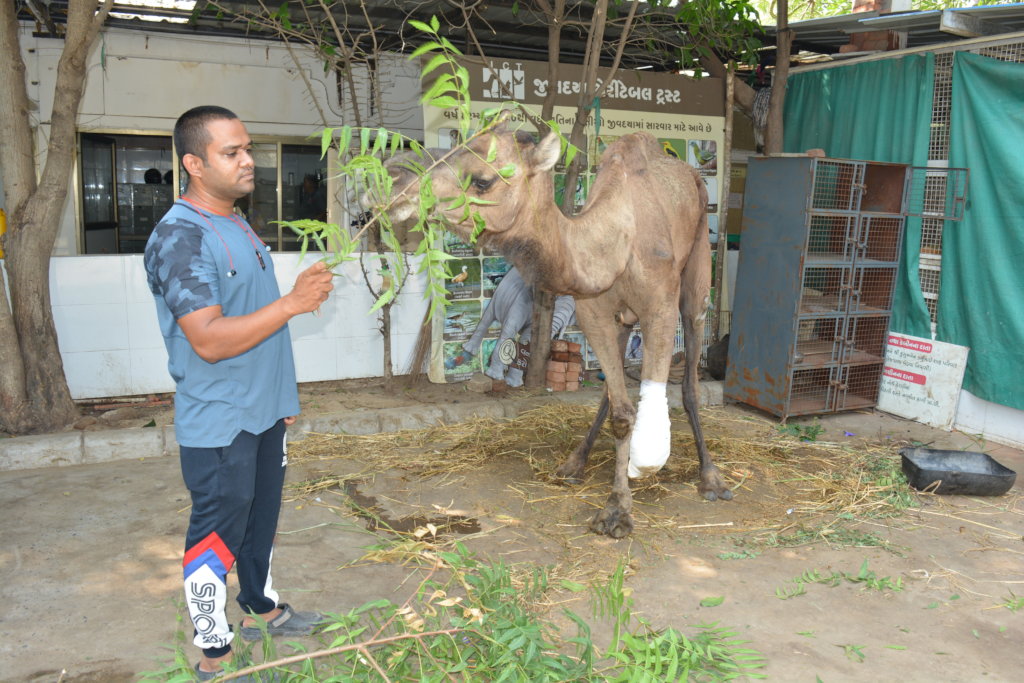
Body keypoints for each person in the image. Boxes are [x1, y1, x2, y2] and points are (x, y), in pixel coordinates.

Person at [144, 105, 334, 680]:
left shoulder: (237, 221)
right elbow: (207, 339)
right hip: (221, 419)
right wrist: (294, 303)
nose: (249, 160)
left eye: (247, 147)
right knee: (217, 533)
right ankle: (214, 651)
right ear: (194, 164)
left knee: (260, 520)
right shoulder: (180, 236)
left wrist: (283, 400)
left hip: (262, 411)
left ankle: (260, 609)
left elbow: (256, 320)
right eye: (233, 152)